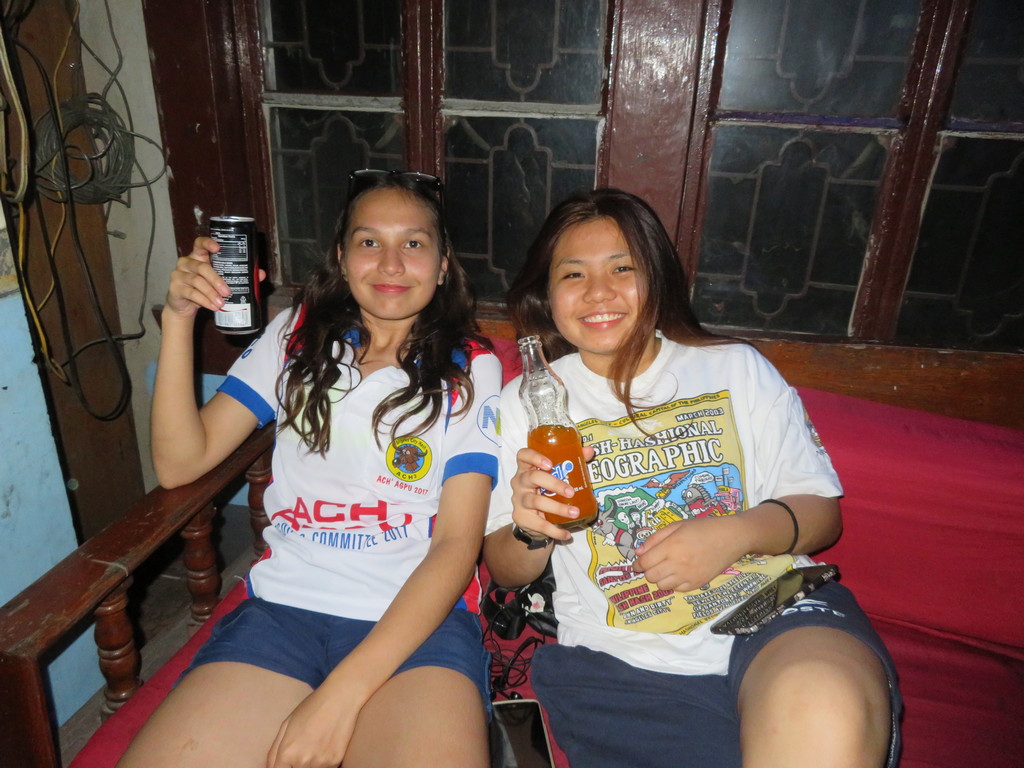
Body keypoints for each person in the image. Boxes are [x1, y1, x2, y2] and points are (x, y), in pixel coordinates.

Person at [483, 188, 901, 767]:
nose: (598, 291)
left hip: (779, 606)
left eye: (622, 268)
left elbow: (822, 513)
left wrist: (733, 533)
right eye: (573, 273)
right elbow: (505, 570)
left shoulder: (735, 368)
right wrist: (531, 528)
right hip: (623, 660)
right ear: (547, 295)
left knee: (822, 711)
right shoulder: (525, 403)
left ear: (656, 278)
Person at [119, 170, 501, 768]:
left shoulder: (469, 367)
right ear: (341, 259)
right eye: (369, 241)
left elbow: (457, 543)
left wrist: (339, 698)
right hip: (282, 613)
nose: (391, 263)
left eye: (414, 243)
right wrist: (178, 320)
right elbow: (179, 463)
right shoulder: (296, 336)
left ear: (443, 264)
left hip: (415, 626)